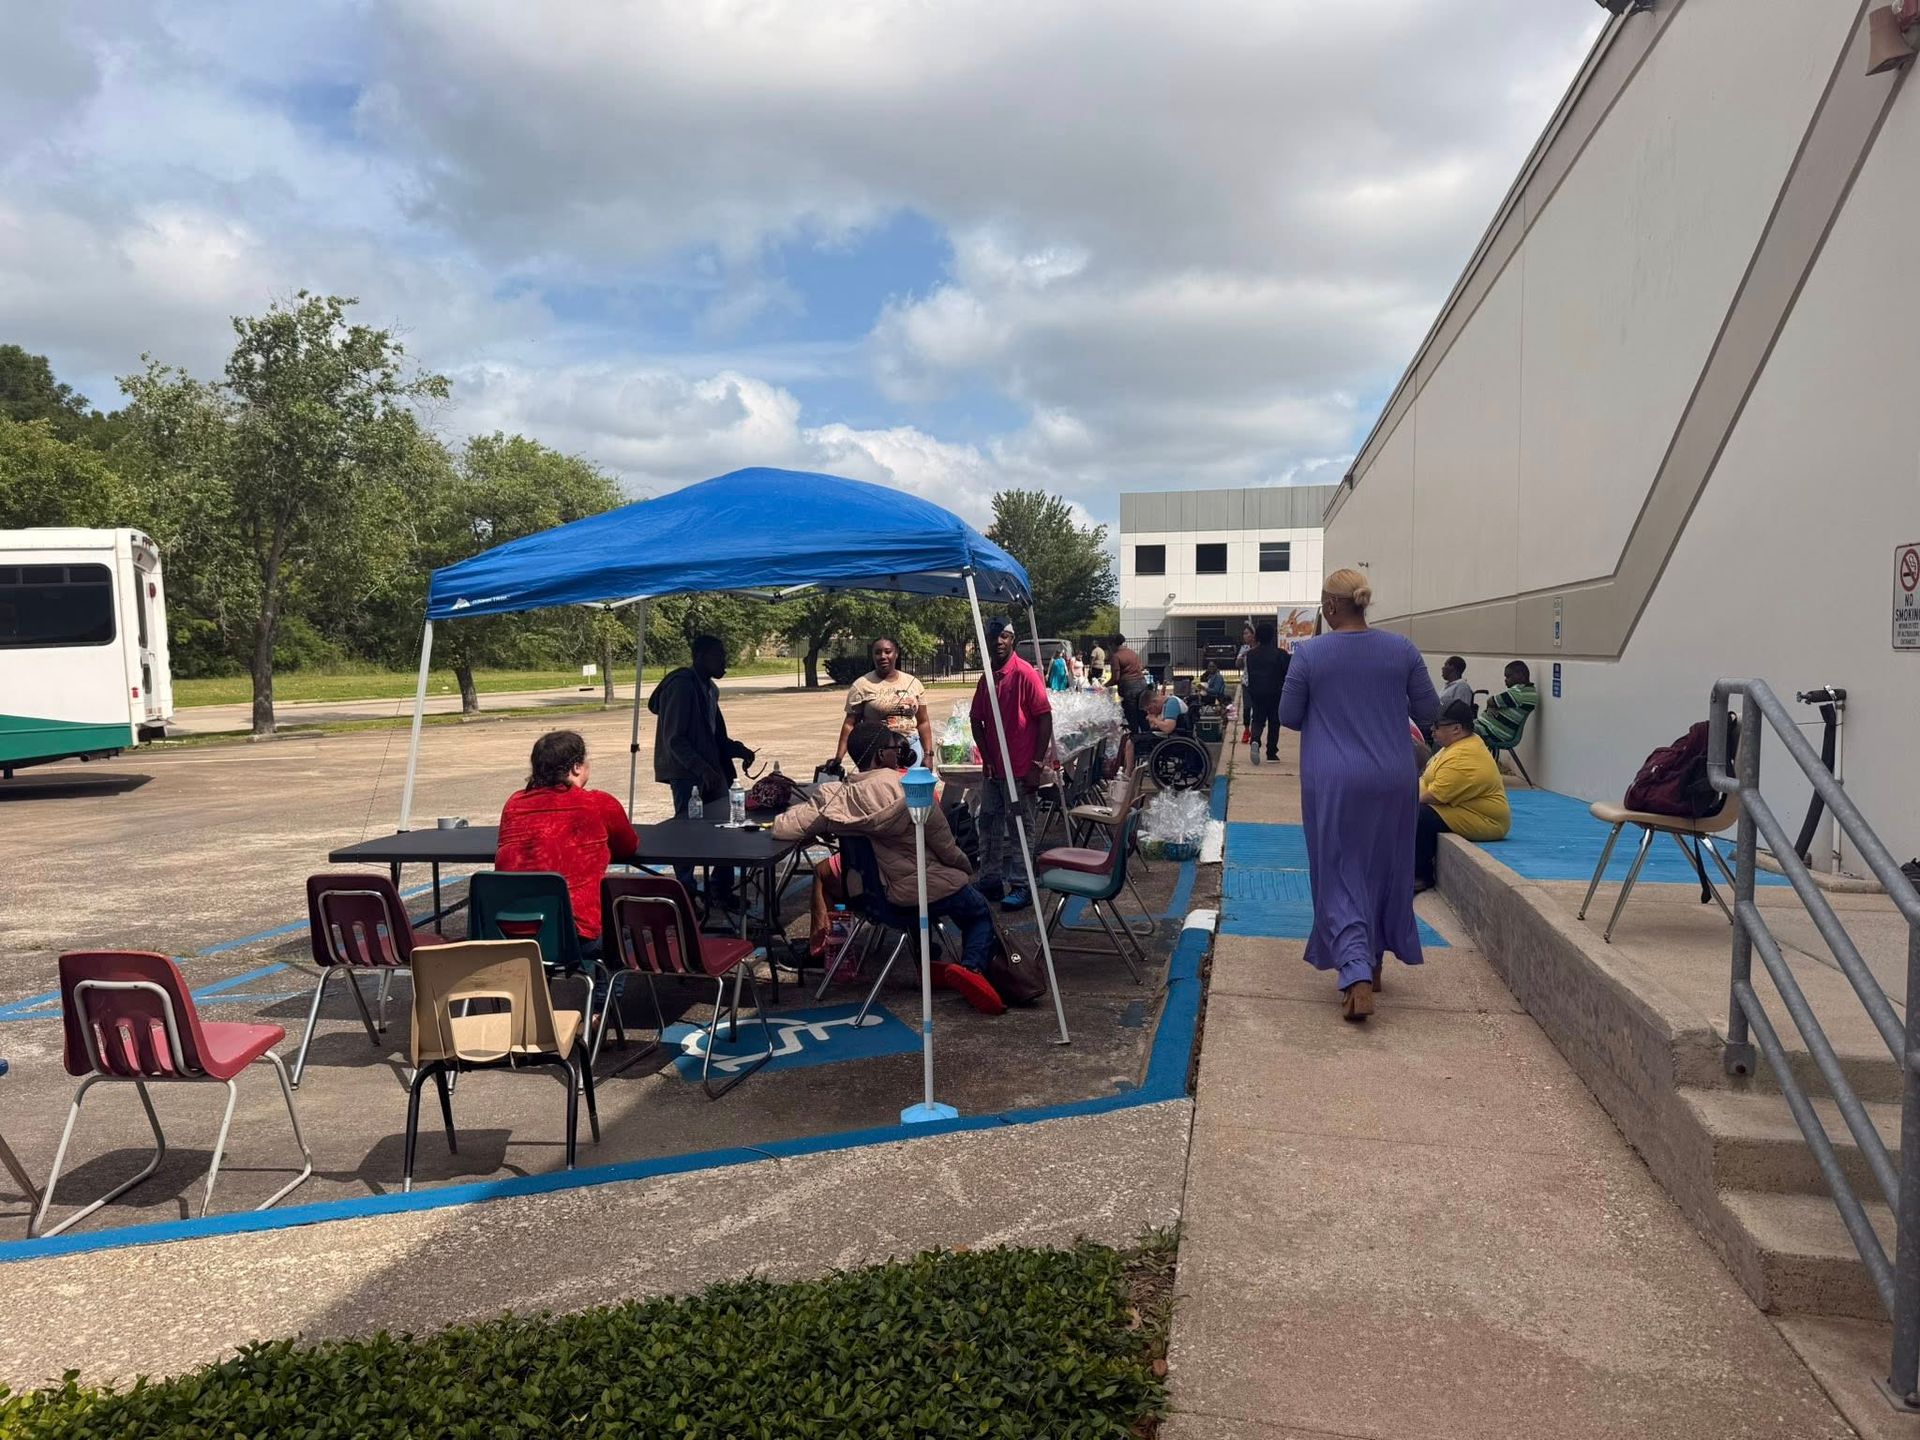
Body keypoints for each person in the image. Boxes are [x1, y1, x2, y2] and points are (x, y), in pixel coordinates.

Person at [1279, 567, 1439, 1023]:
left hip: (1333, 778)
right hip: (1393, 774)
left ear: (1330, 607)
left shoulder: (1311, 654)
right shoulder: (1401, 649)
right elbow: (1429, 710)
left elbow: (1289, 715)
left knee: (1338, 868)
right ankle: (1373, 960)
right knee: (1384, 866)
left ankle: (1354, 973)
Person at [774, 722, 1004, 1014]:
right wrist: (963, 870)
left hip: (870, 899)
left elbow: (784, 827)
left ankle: (928, 964)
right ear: (882, 754)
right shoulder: (915, 790)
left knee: (933, 892)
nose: (900, 754)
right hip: (916, 891)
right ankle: (972, 969)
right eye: (896, 749)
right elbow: (946, 848)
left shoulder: (837, 797)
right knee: (978, 911)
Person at [496, 730, 639, 959]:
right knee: (629, 928)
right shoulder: (598, 803)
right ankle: (608, 991)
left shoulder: (513, 804)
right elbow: (628, 846)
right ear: (576, 767)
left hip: (513, 930)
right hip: (576, 934)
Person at [648, 634, 755, 909]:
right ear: (700, 658)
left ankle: (720, 888)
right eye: (719, 656)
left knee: (724, 829)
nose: (724, 662)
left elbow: (713, 735)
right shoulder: (682, 687)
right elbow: (675, 739)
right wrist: (703, 769)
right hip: (687, 774)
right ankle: (684, 894)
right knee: (687, 833)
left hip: (711, 771)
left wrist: (738, 750)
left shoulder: (709, 689)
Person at [970, 617, 1055, 910]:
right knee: (989, 822)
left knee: (1019, 826)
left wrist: (1035, 765)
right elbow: (976, 719)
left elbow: (1044, 718)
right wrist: (988, 757)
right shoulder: (988, 677)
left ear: (1013, 640)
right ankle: (990, 879)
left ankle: (1021, 883)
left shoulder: (1024, 673)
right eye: (994, 636)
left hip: (1020, 769)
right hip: (995, 771)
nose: (998, 641)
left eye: (1004, 636)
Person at [1415, 699, 1510, 892]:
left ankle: (1420, 875)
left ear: (1457, 728)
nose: (1432, 730)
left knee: (1419, 816)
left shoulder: (1463, 757)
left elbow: (1432, 795)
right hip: (1461, 808)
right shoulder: (1454, 746)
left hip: (1485, 819)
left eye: (1437, 726)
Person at [836, 637, 934, 770]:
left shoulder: (913, 683)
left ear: (896, 654)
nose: (882, 656)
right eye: (877, 652)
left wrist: (928, 754)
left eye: (888, 652)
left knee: (911, 789)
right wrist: (838, 758)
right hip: (880, 752)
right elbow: (850, 724)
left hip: (910, 748)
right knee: (882, 789)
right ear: (873, 656)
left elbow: (923, 722)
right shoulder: (862, 685)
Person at [1241, 621, 1289, 764]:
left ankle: (1255, 740)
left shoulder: (1250, 655)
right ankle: (1271, 753)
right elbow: (1287, 672)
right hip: (1276, 692)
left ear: (1258, 637)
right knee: (1274, 722)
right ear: (1272, 636)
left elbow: (1249, 672)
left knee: (1257, 720)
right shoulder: (1280, 654)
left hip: (1256, 692)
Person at [1476, 661, 1540, 755]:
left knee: (1456, 730)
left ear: (1520, 675)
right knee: (1457, 727)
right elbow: (1494, 702)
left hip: (1494, 733)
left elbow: (1491, 700)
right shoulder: (1526, 691)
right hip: (1489, 729)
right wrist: (1491, 707)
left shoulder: (1519, 692)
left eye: (1508, 676)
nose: (1505, 680)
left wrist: (1491, 706)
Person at [1109, 634, 1150, 732]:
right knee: (1142, 714)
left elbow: (1116, 678)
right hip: (1142, 685)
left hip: (1129, 687)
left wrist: (1104, 686)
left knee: (1132, 716)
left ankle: (1135, 740)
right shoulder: (1132, 653)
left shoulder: (1116, 656)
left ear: (1113, 644)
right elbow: (1140, 667)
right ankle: (1147, 738)